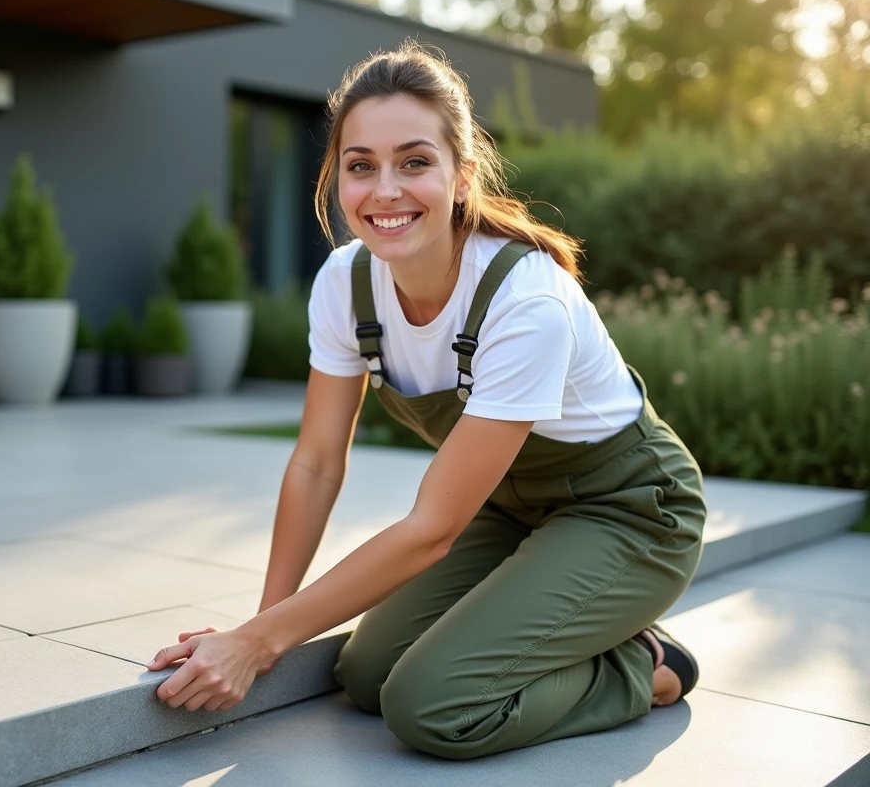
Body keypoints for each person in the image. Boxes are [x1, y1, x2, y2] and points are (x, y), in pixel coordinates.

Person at [147, 40, 706, 761]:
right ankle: (569, 614)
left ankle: (646, 664)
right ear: (336, 178)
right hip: (509, 507)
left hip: (630, 512)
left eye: (414, 162)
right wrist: (263, 629)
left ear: (461, 175)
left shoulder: (524, 301)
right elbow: (318, 462)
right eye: (360, 166)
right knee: (364, 671)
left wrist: (257, 643)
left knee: (433, 707)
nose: (385, 191)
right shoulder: (346, 285)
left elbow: (434, 526)